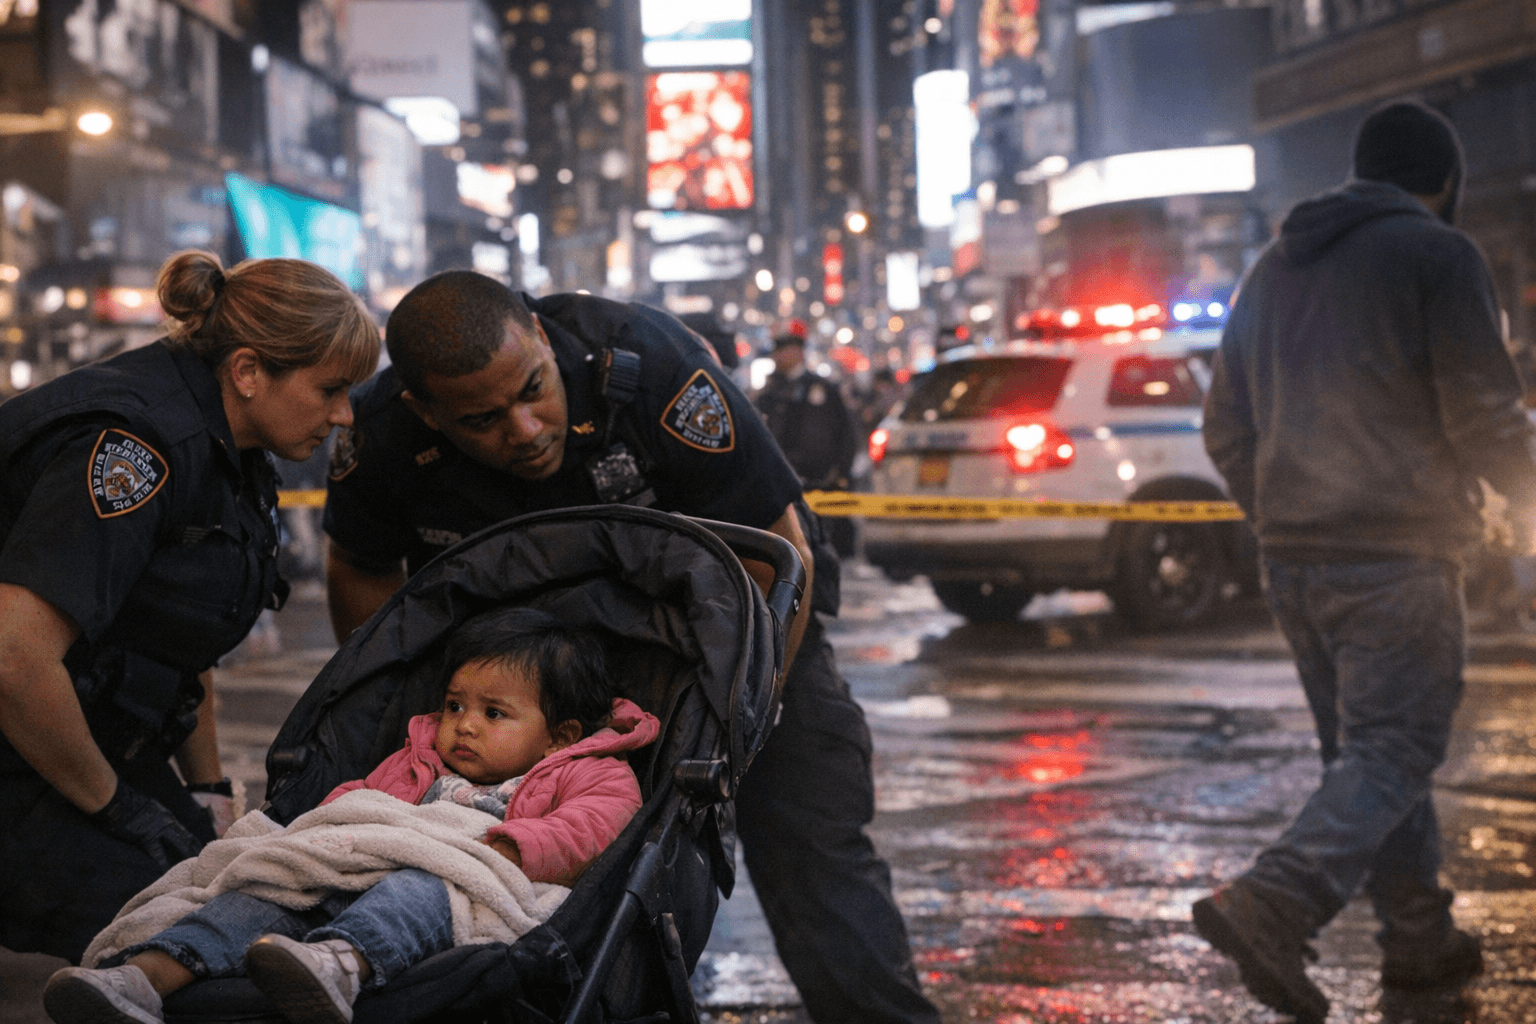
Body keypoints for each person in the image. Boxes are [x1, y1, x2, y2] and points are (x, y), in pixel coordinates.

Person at [321, 272, 939, 1024]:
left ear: (544, 341)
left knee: (816, 855)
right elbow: (360, 566)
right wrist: (418, 710)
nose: (523, 429)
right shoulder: (383, 431)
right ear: (425, 412)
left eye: (533, 390)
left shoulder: (652, 370)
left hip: (739, 642)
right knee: (564, 892)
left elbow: (778, 553)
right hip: (538, 682)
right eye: (482, 419)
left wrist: (744, 718)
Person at [1198, 100, 1536, 1022]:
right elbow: (1486, 413)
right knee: (1395, 746)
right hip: (1396, 553)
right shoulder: (1438, 254)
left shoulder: (1271, 267)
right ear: (1445, 182)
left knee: (1368, 757)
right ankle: (1278, 899)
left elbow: (1223, 425)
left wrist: (1280, 511)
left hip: (1295, 561)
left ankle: (1418, 938)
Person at [0, 252, 379, 965]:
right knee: (176, 943)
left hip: (76, 733)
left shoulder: (231, 450)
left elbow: (178, 642)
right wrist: (118, 808)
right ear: (247, 371)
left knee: (246, 895)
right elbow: (14, 658)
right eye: (330, 389)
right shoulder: (135, 447)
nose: (343, 414)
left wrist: (208, 795)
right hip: (23, 736)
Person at [42, 606, 660, 1024]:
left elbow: (593, 829)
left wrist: (507, 847)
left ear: (559, 735)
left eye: (493, 713)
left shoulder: (589, 770)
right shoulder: (418, 758)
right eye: (453, 705)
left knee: (420, 891)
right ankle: (144, 976)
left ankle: (337, 964)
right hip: (358, 867)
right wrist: (321, 841)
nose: (463, 724)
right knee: (262, 893)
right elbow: (357, 807)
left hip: (458, 880)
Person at [754, 329, 862, 557]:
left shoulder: (822, 388)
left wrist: (841, 471)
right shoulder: (771, 392)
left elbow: (846, 433)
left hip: (820, 480)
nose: (779, 357)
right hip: (785, 479)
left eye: (784, 351)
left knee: (823, 545)